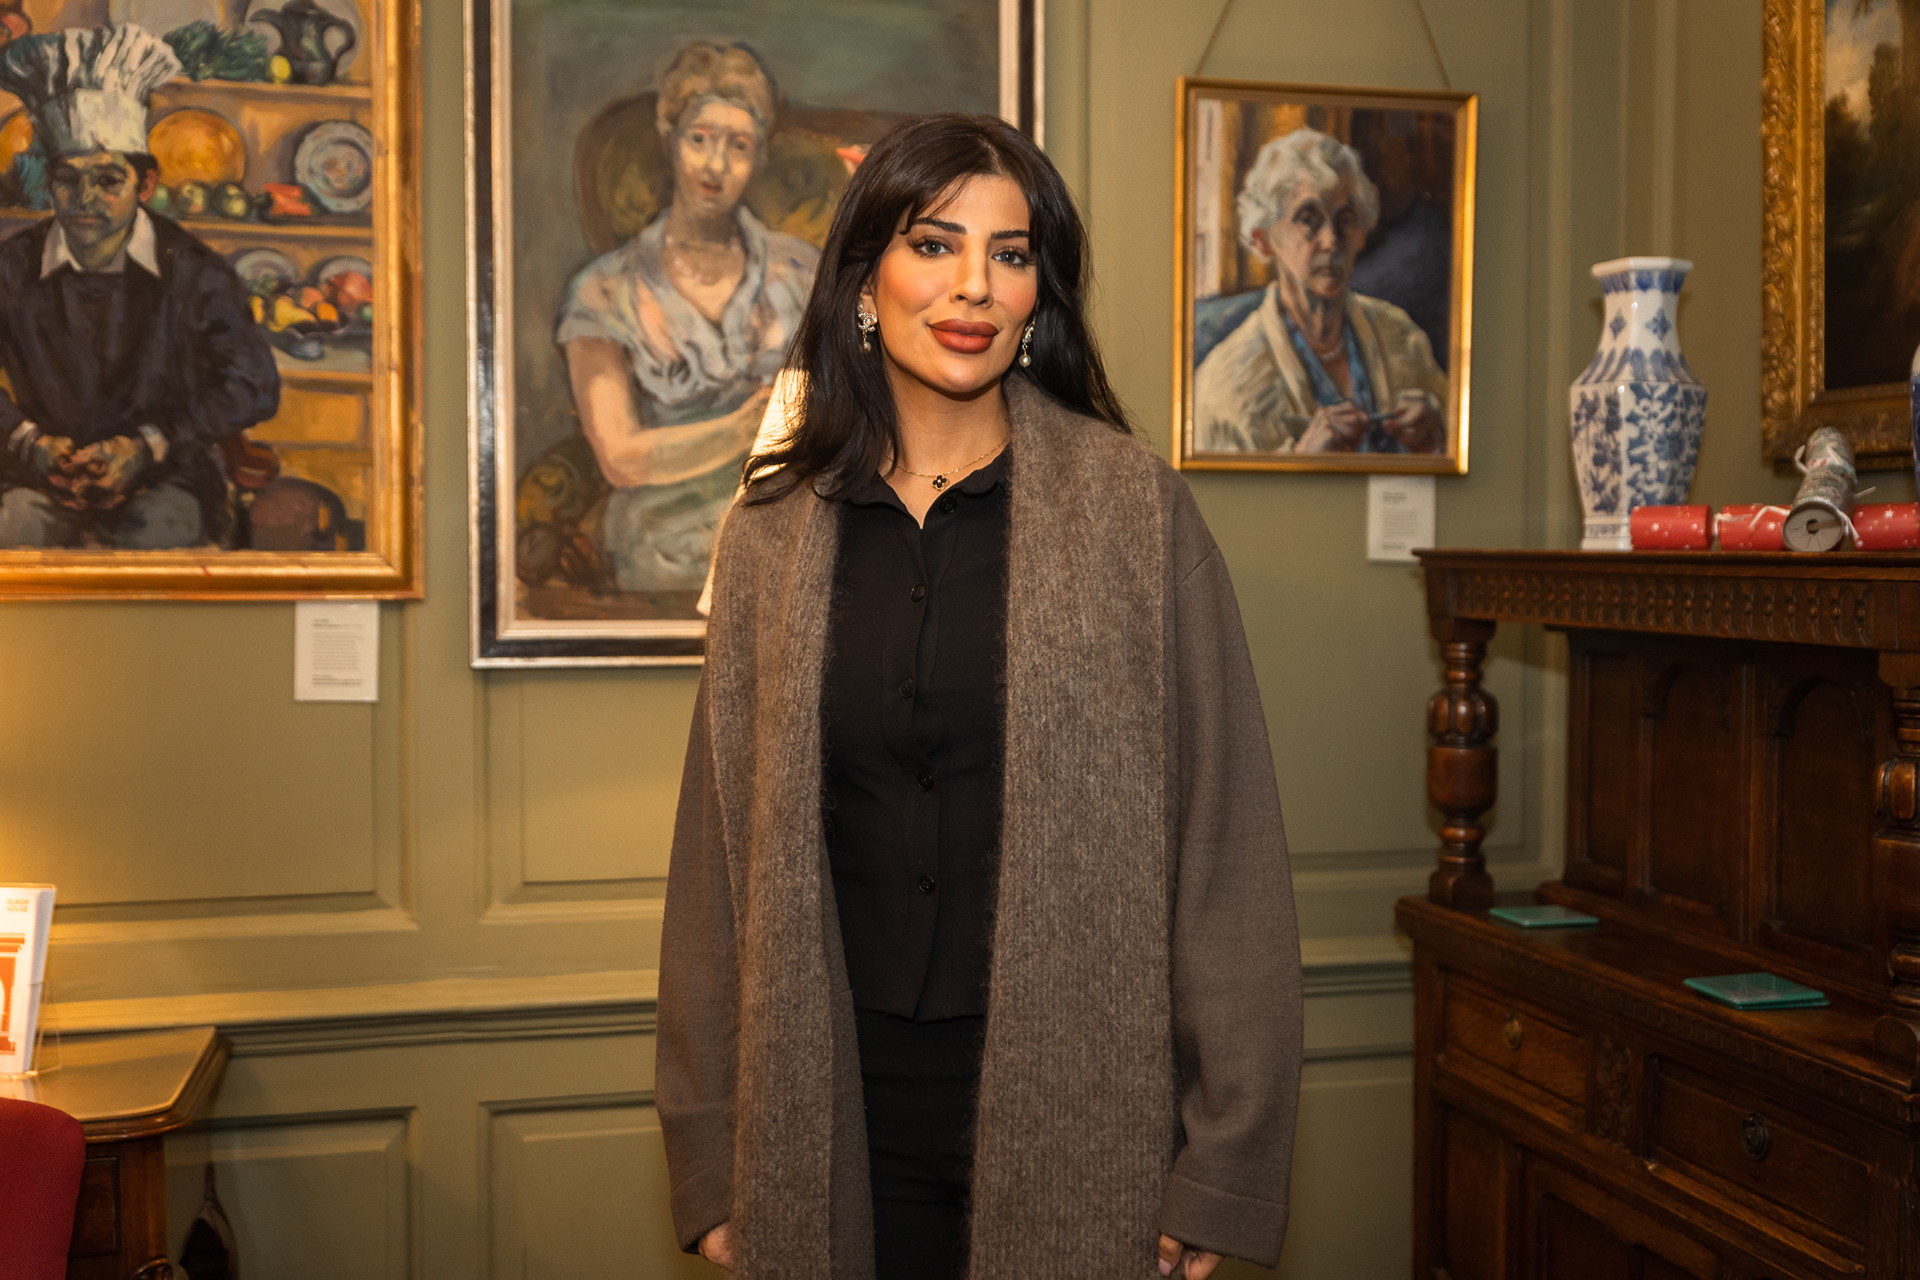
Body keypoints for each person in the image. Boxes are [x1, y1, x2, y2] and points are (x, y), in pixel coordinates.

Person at [656, 113, 1301, 1280]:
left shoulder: (1136, 512)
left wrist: (1225, 1155)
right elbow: (716, 858)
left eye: (1010, 255)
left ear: (1040, 293)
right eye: (934, 244)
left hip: (1087, 1112)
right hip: (829, 1109)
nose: (973, 287)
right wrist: (706, 1151)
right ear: (865, 280)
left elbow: (1226, 840)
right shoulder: (770, 536)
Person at [0, 25, 280, 548]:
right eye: (68, 180)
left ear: (145, 184)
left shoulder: (195, 272)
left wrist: (149, 445)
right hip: (40, 481)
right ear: (50, 184)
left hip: (164, 477)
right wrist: (28, 442)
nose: (86, 198)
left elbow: (254, 383)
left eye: (108, 180)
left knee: (159, 532)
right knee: (13, 529)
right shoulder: (12, 268)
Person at [556, 41, 818, 594]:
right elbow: (620, 458)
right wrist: (742, 429)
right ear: (669, 140)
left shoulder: (804, 273)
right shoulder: (605, 290)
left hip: (784, 549)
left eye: (738, 146)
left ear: (759, 157)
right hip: (659, 556)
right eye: (699, 139)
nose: (715, 165)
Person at [1194, 126, 1447, 455]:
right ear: (1263, 239)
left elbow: (1457, 453)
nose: (1331, 241)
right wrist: (1301, 461)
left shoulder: (1402, 338)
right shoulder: (1226, 385)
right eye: (1308, 218)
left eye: (1346, 218)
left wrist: (1435, 435)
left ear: (1362, 233)